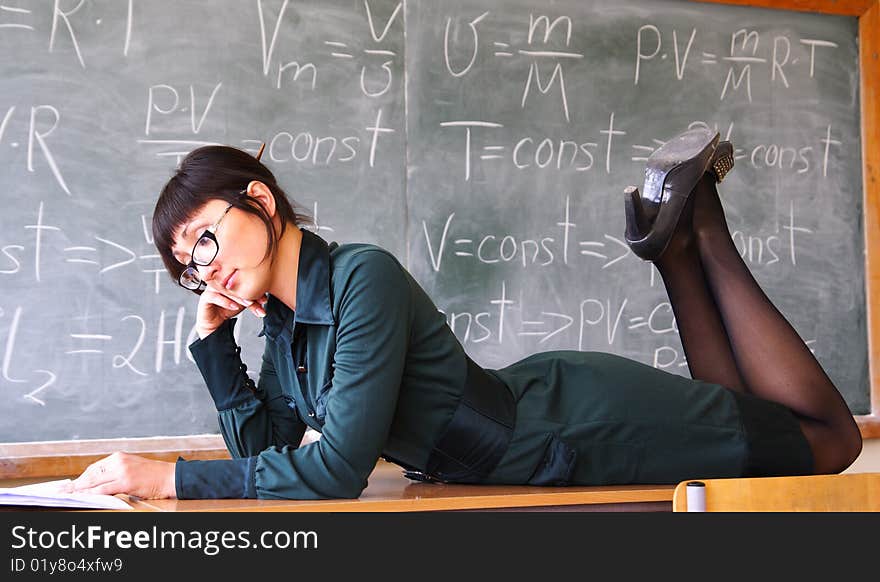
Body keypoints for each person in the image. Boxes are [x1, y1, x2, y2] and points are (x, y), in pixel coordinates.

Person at [66, 127, 862, 500]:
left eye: (205, 239)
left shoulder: (359, 280)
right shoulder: (287, 325)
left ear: (260, 202)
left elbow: (336, 470)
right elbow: (271, 447)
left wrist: (172, 479)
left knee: (827, 443)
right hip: (539, 444)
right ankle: (673, 249)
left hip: (574, 430)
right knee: (750, 420)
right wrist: (215, 347)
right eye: (187, 263)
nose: (204, 269)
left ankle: (701, 226)